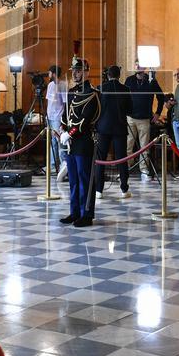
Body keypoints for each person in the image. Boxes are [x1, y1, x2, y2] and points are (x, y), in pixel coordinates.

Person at [59, 41, 100, 228]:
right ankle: (74, 211)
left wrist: (70, 132)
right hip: (70, 143)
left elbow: (84, 119)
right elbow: (65, 114)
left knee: (84, 179)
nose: (74, 73)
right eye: (73, 71)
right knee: (73, 180)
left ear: (86, 72)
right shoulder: (71, 92)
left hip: (83, 141)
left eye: (78, 71)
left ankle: (86, 213)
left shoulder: (92, 94)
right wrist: (62, 129)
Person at [94, 65, 131, 200]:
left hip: (103, 128)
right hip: (120, 128)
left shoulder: (100, 88)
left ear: (108, 75)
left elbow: (96, 109)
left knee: (100, 159)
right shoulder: (126, 89)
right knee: (122, 159)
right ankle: (124, 189)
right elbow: (130, 109)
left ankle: (99, 190)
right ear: (119, 75)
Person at [125, 61, 163, 179]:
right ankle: (126, 168)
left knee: (144, 147)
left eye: (139, 65)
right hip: (130, 118)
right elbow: (124, 97)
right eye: (136, 65)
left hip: (145, 119)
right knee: (128, 145)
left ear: (144, 67)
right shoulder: (129, 80)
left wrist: (157, 113)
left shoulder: (151, 81)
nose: (137, 67)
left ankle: (144, 170)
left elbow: (161, 97)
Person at [46, 64, 67, 182]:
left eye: (49, 72)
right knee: (52, 142)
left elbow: (65, 102)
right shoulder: (50, 85)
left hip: (58, 117)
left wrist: (63, 119)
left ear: (53, 73)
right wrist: (47, 116)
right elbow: (49, 102)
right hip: (50, 117)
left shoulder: (63, 85)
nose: (48, 75)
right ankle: (53, 165)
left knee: (59, 142)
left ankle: (63, 164)